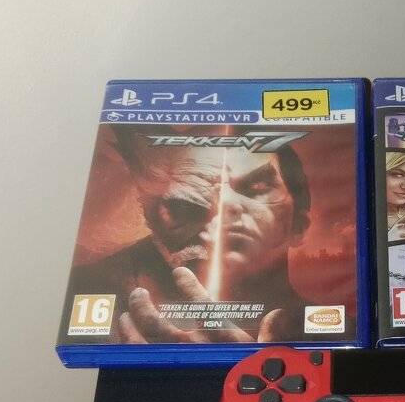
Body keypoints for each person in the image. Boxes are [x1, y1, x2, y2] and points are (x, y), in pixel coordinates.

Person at [68, 126, 313, 344]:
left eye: (257, 187)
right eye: (187, 204)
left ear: (299, 225)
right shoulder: (90, 299)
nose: (223, 205)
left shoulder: (325, 331)